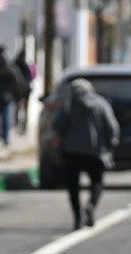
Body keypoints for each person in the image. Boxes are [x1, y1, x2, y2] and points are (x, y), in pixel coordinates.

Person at [52, 78, 119, 230]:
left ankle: (77, 216)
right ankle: (91, 205)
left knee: (73, 185)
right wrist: (110, 145)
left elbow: (57, 125)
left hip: (72, 151)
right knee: (97, 181)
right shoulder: (101, 103)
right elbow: (112, 127)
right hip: (95, 151)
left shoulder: (69, 105)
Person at [0, 45, 22, 146]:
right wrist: (18, 97)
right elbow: (16, 84)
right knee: (6, 119)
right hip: (6, 97)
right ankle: (5, 139)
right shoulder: (9, 68)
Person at [12, 47, 33, 134]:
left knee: (17, 108)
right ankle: (23, 127)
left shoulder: (14, 65)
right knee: (25, 109)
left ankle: (17, 125)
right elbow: (30, 78)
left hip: (17, 90)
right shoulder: (25, 65)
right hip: (25, 90)